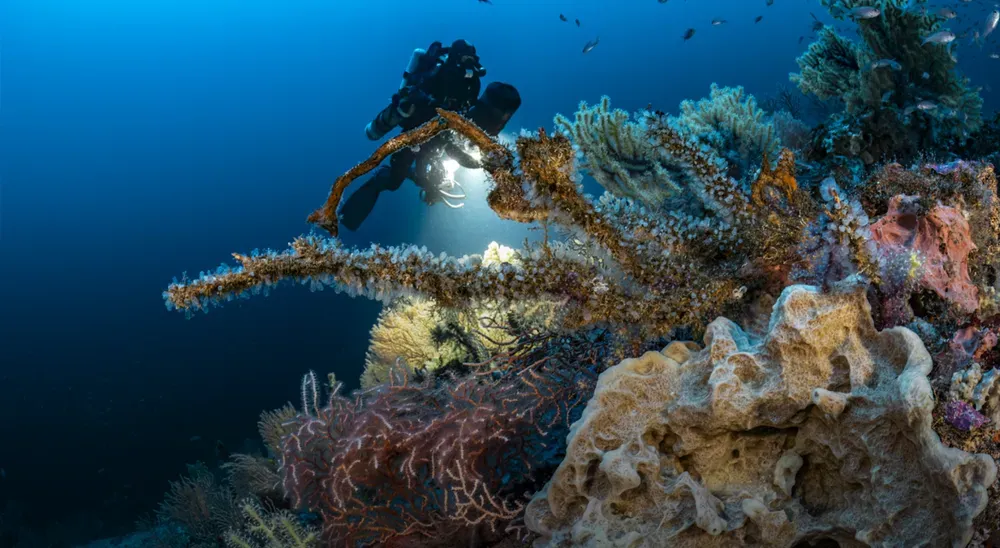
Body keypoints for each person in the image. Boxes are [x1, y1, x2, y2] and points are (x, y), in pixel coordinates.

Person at [338, 39, 522, 232]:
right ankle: (348, 216)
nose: (468, 65)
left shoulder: (473, 84)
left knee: (434, 183)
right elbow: (417, 97)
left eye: (471, 59)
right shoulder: (437, 74)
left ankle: (427, 188)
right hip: (416, 134)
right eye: (464, 58)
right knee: (393, 181)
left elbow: (467, 114)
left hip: (444, 136)